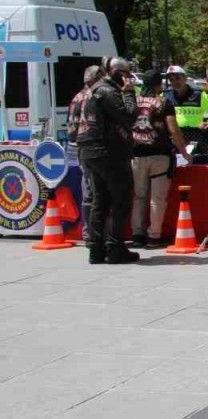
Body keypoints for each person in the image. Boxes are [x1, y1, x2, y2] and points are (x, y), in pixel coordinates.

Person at [78, 57, 139, 264]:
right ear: (118, 73)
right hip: (109, 153)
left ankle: (96, 249)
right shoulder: (107, 91)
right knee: (121, 201)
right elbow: (129, 117)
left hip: (91, 152)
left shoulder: (91, 90)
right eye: (127, 74)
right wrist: (129, 93)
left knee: (100, 201)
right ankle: (114, 248)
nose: (129, 79)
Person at [130, 71, 189, 249]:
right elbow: (173, 130)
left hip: (136, 155)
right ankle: (154, 236)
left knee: (139, 196)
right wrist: (184, 152)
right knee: (157, 198)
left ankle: (137, 235)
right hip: (159, 155)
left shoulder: (133, 102)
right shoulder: (163, 102)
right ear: (158, 85)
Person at [68, 65, 104, 248]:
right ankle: (93, 233)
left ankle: (89, 232)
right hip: (94, 148)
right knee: (95, 191)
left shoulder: (77, 97)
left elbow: (71, 130)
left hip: (81, 148)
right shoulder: (95, 96)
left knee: (89, 190)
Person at [164, 65, 208, 149]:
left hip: (196, 139)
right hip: (173, 139)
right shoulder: (165, 96)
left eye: (177, 78)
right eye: (171, 80)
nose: (174, 82)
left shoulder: (199, 95)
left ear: (185, 78)